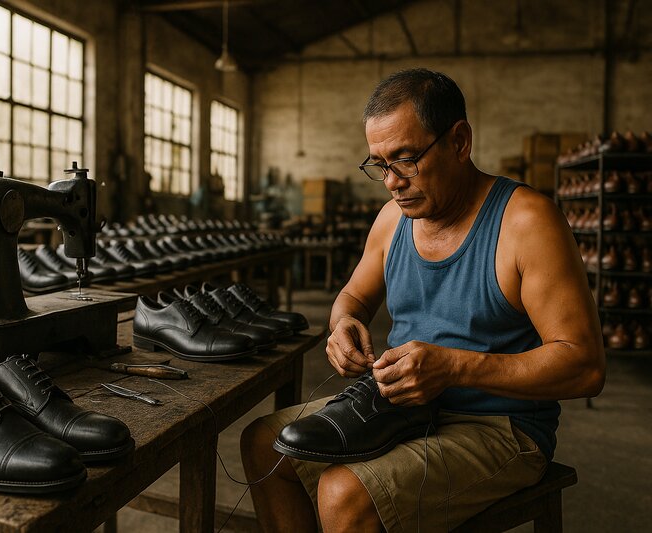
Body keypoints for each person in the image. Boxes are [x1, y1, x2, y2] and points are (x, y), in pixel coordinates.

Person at [240, 68, 605, 532]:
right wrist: (343, 323)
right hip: (402, 408)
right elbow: (352, 295)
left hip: (499, 427)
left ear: (459, 141)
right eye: (380, 164)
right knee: (264, 443)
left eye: (406, 159)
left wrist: (453, 368)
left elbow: (586, 366)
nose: (391, 181)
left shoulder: (527, 223)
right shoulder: (392, 219)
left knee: (343, 493)